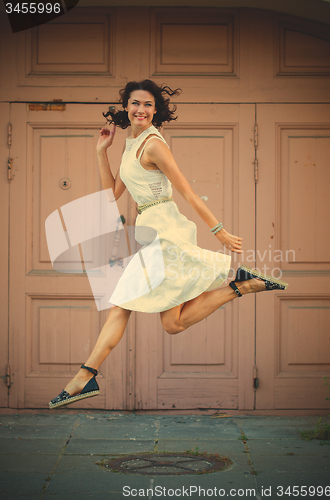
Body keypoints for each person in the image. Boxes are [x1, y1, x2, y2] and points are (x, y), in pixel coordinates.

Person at [49, 79, 288, 409]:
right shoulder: (130, 144)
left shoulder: (154, 144)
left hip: (163, 230)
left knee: (122, 303)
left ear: (156, 110)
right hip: (150, 228)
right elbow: (112, 195)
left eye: (148, 105)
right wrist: (100, 152)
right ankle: (243, 285)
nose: (141, 109)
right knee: (170, 323)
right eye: (135, 103)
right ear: (126, 107)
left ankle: (85, 375)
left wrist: (218, 230)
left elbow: (187, 191)